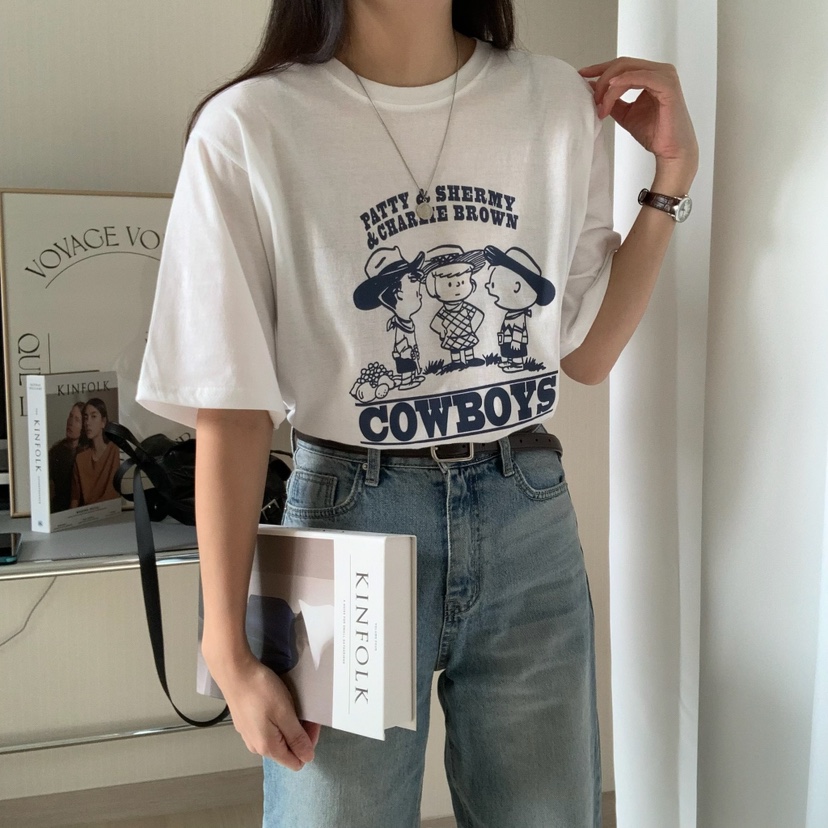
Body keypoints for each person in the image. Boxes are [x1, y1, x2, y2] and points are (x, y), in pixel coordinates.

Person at [136, 1, 698, 825]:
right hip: (346, 517)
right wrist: (225, 642)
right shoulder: (250, 125)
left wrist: (671, 177)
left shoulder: (551, 99)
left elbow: (586, 352)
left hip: (525, 513)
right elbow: (232, 402)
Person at [69, 398, 121, 507]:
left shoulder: (115, 451)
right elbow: (75, 498)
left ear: (103, 422)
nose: (88, 422)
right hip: (88, 513)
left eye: (93, 416)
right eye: (85, 418)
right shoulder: (80, 459)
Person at [49, 401, 89, 512]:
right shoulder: (55, 451)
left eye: (77, 420)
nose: (71, 422)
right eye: (70, 416)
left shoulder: (87, 453)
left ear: (84, 427)